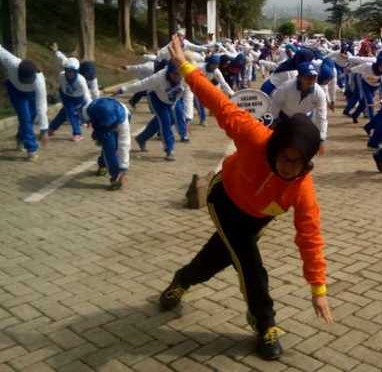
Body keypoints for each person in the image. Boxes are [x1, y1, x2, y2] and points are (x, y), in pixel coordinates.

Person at [159, 35, 333, 361]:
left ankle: (181, 281)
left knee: (222, 255)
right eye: (284, 157)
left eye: (298, 162)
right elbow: (217, 102)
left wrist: (318, 289)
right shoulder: (256, 138)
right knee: (250, 265)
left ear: (307, 162)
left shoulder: (301, 187)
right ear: (275, 145)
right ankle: (265, 325)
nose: (287, 166)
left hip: (257, 216)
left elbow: (310, 236)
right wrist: (185, 64)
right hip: (224, 199)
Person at [117, 61, 186, 161]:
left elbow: (188, 93)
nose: (178, 77)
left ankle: (142, 138)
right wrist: (123, 89)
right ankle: (169, 150)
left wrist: (176, 106)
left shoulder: (186, 78)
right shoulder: (158, 78)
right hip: (156, 98)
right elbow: (141, 85)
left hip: (172, 100)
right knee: (165, 121)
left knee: (166, 120)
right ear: (169, 72)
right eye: (175, 74)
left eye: (180, 74)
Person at [0, 45, 49, 161]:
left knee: (32, 116)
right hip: (15, 91)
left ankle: (20, 137)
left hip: (31, 93)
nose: (26, 82)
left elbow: (41, 106)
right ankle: (31, 149)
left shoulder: (39, 81)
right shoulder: (12, 62)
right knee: (25, 117)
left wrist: (44, 129)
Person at [270, 62, 328, 149]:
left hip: (304, 119)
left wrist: (321, 138)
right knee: (282, 145)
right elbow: (276, 103)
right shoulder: (286, 87)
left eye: (314, 77)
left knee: (302, 145)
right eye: (308, 76)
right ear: (300, 77)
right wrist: (274, 120)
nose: (311, 79)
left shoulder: (319, 93)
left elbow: (322, 116)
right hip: (285, 117)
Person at [83, 98, 131, 190]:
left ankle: (110, 171)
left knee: (115, 147)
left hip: (117, 122)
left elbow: (124, 145)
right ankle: (114, 176)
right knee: (109, 148)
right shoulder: (89, 109)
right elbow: (85, 115)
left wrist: (123, 167)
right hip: (101, 125)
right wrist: (89, 124)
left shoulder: (123, 122)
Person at [48, 57, 93, 141]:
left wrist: (91, 108)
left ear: (76, 71)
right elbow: (61, 58)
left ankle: (76, 133)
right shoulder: (61, 75)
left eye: (72, 71)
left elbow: (87, 95)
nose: (69, 73)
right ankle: (53, 129)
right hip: (66, 96)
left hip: (78, 98)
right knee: (68, 112)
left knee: (69, 113)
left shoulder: (80, 80)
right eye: (67, 71)